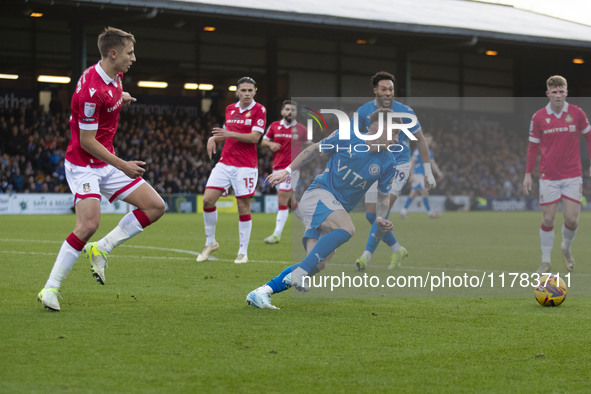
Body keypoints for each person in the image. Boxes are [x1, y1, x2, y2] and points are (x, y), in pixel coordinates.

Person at [37, 27, 166, 311]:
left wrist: (124, 97)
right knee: (88, 225)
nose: (134, 58)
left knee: (156, 207)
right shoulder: (90, 92)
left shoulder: (116, 77)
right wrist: (123, 165)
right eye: (130, 53)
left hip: (106, 162)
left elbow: (114, 94)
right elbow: (86, 141)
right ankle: (50, 288)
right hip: (85, 164)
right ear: (113, 53)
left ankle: (102, 248)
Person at [246, 109, 398, 309]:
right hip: (319, 193)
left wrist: (379, 217)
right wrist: (287, 171)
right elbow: (313, 149)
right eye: (394, 133)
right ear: (377, 128)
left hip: (335, 207)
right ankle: (298, 274)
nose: (396, 140)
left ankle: (261, 292)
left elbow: (383, 195)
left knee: (318, 264)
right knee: (347, 229)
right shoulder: (347, 136)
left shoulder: (388, 162)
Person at [354, 71, 436, 272]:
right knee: (371, 216)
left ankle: (366, 256)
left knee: (382, 210)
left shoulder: (405, 111)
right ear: (375, 91)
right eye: (383, 89)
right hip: (375, 164)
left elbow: (421, 140)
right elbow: (356, 140)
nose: (388, 93)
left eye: (391, 89)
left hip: (398, 164)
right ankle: (397, 249)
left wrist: (428, 170)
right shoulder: (363, 112)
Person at [522, 75, 591, 274]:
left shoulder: (577, 113)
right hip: (548, 176)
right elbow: (532, 148)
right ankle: (545, 261)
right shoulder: (538, 117)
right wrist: (528, 174)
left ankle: (566, 248)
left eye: (561, 91)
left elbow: (589, 137)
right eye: (554, 92)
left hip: (572, 175)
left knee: (571, 220)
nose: (558, 95)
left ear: (566, 93)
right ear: (548, 94)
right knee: (548, 219)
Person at [196, 77, 266, 264]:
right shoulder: (230, 109)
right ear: (237, 92)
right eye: (243, 90)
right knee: (208, 200)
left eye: (250, 90)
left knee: (243, 207)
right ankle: (210, 243)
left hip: (245, 166)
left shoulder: (260, 110)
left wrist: (228, 134)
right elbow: (225, 132)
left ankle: (243, 252)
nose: (246, 94)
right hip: (225, 162)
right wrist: (213, 139)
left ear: (255, 91)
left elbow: (254, 138)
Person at [260, 100, 307, 244]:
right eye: (287, 109)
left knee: (282, 199)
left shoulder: (301, 129)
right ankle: (310, 225)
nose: (289, 112)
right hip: (277, 169)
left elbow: (308, 144)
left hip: (292, 170)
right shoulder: (274, 126)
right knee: (291, 202)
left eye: (292, 110)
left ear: (296, 112)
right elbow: (263, 141)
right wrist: (270, 144)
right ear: (282, 111)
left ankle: (276, 234)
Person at [400, 133, 444, 218]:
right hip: (418, 175)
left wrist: (438, 172)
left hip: (421, 175)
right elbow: (412, 162)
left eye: (430, 141)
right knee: (425, 193)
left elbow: (433, 163)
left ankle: (403, 211)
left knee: (413, 194)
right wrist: (411, 174)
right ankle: (431, 213)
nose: (428, 142)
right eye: (427, 140)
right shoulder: (419, 150)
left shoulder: (429, 151)